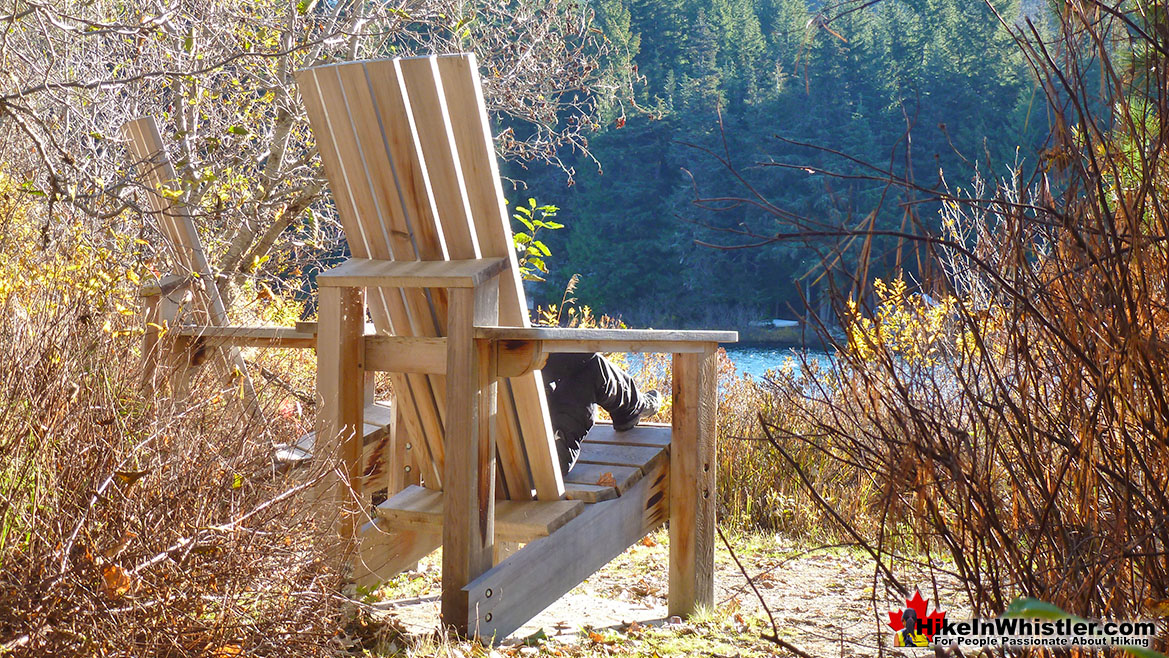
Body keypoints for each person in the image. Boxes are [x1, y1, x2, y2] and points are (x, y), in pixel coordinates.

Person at [540, 353, 662, 474]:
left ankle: (634, 407)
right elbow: (587, 349)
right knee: (592, 366)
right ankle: (635, 407)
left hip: (527, 455)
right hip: (550, 458)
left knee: (548, 367)